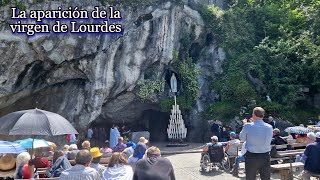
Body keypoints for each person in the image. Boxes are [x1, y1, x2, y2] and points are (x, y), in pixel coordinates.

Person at [239, 107, 273, 180]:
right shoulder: (269, 127)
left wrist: (244, 125)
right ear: (263, 115)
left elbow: (242, 139)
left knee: (250, 178)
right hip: (265, 155)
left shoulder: (247, 126)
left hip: (251, 156)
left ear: (253, 115)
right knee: (266, 178)